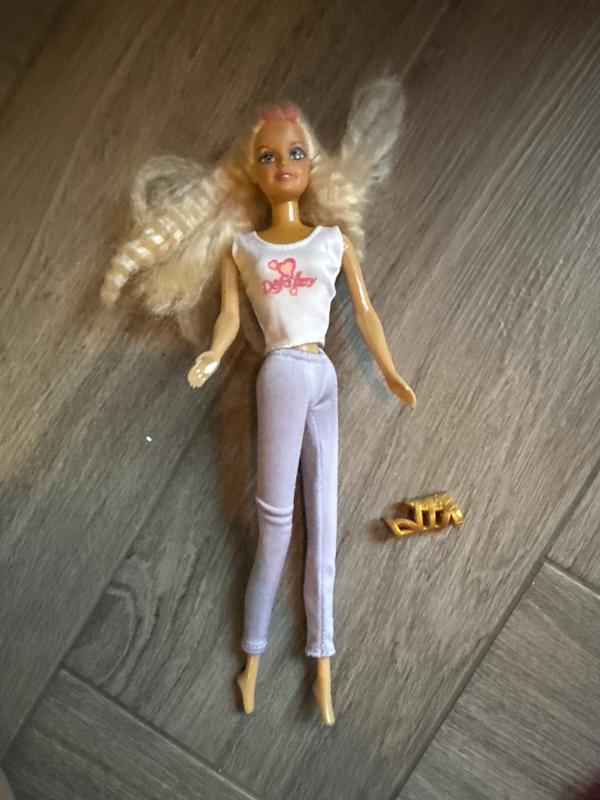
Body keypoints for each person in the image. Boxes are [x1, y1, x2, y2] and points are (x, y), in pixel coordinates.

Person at [101, 76, 416, 726]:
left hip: (322, 374)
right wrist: (214, 355)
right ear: (251, 169)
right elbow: (228, 318)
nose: (282, 165)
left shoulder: (332, 242)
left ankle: (322, 663)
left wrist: (389, 371)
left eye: (294, 153)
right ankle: (252, 657)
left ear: (312, 162)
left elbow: (365, 311)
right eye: (268, 156)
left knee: (323, 522)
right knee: (275, 527)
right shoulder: (241, 249)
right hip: (280, 372)